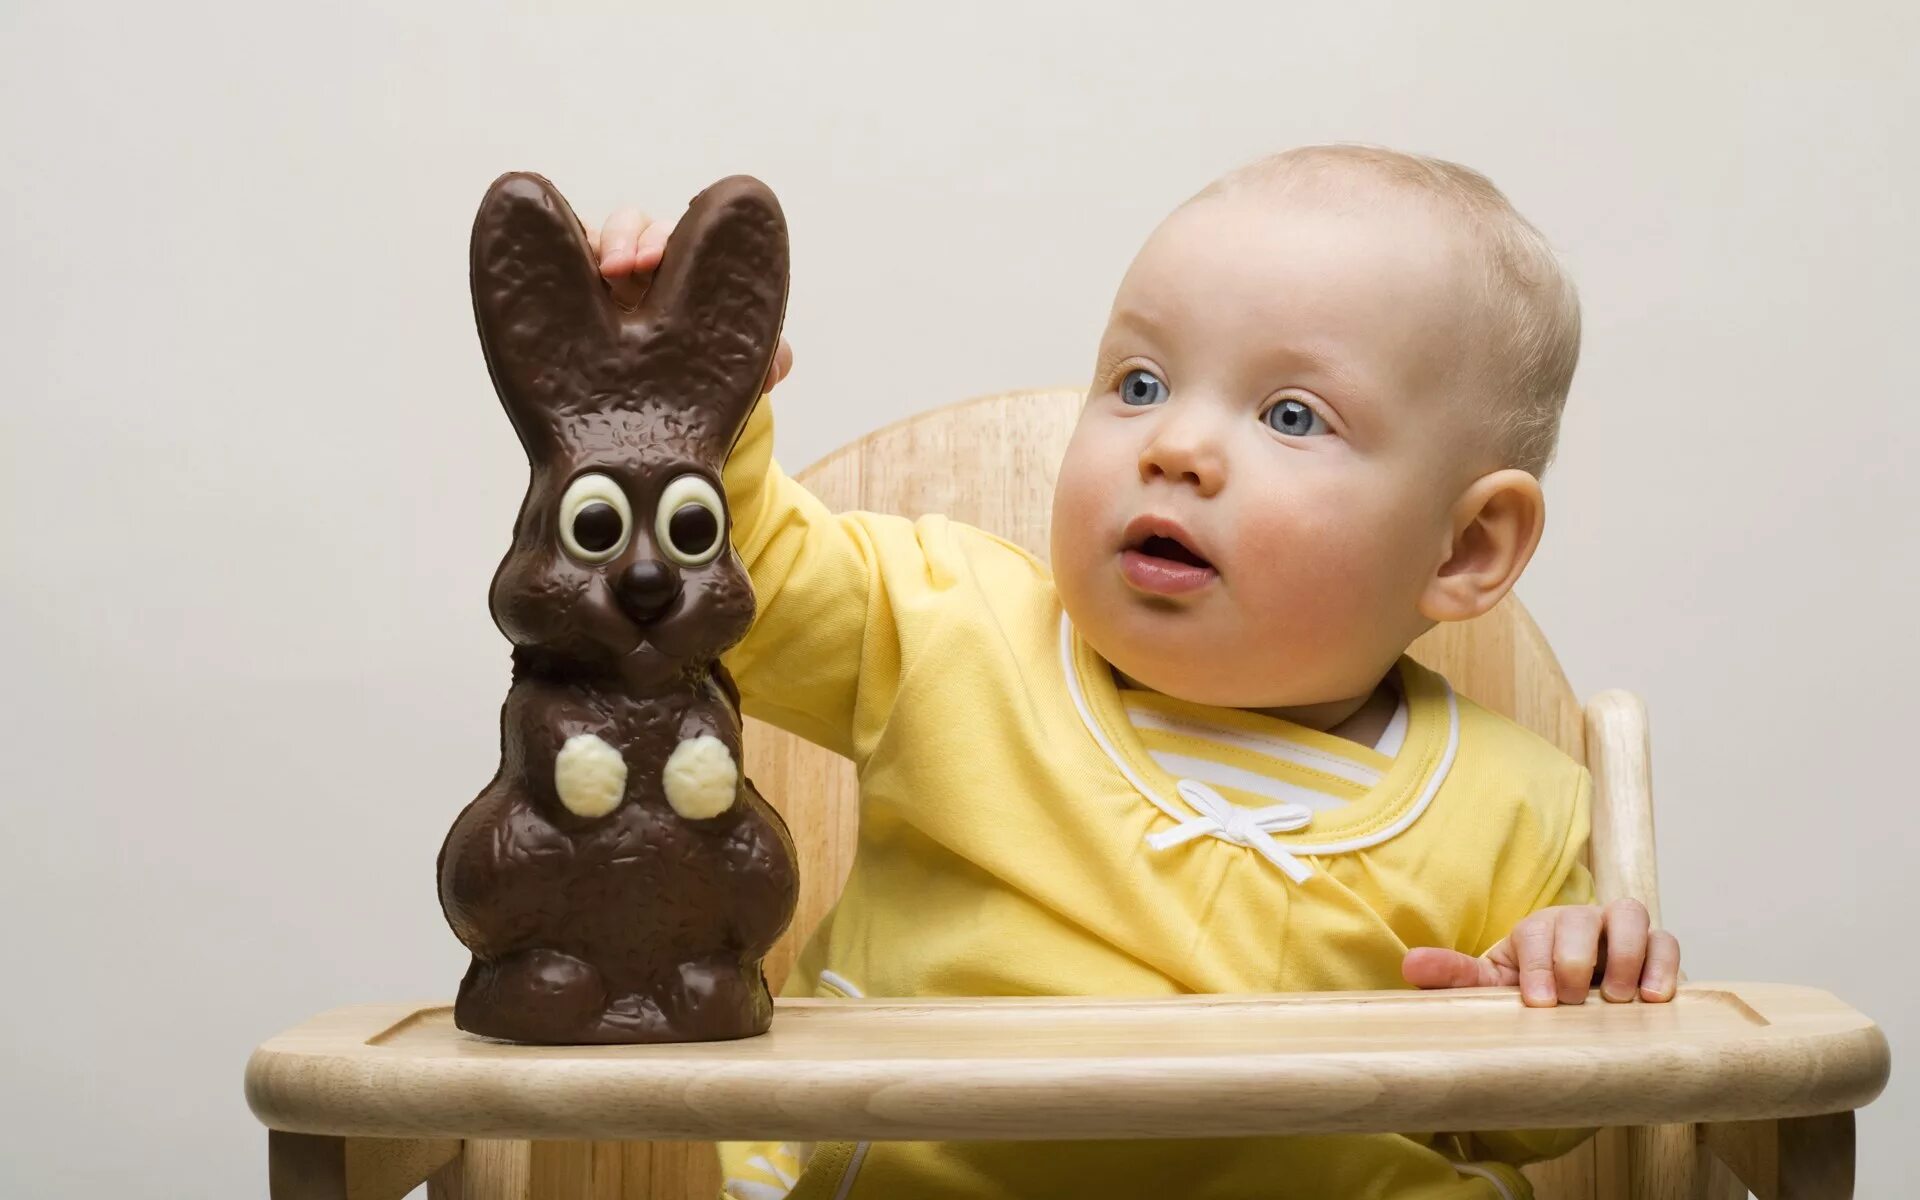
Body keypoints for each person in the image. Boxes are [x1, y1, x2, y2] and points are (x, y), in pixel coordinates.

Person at [590, 143, 1682, 1200]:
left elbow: (1537, 1119)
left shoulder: (1516, 813)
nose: (1176, 446)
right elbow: (745, 584)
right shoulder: (944, 629)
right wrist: (682, 412)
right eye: (1141, 380)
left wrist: (1563, 989)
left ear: (1466, 548)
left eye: (1291, 415)